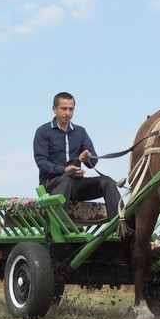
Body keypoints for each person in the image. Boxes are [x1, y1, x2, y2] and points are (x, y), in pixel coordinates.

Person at [33, 92, 122, 225]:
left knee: (108, 182)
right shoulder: (43, 131)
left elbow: (93, 162)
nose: (67, 113)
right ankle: (60, 227)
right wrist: (64, 170)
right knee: (67, 180)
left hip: (76, 183)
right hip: (51, 184)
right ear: (54, 109)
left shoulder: (80, 132)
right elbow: (41, 162)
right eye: (64, 109)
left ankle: (121, 223)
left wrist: (87, 158)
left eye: (71, 109)